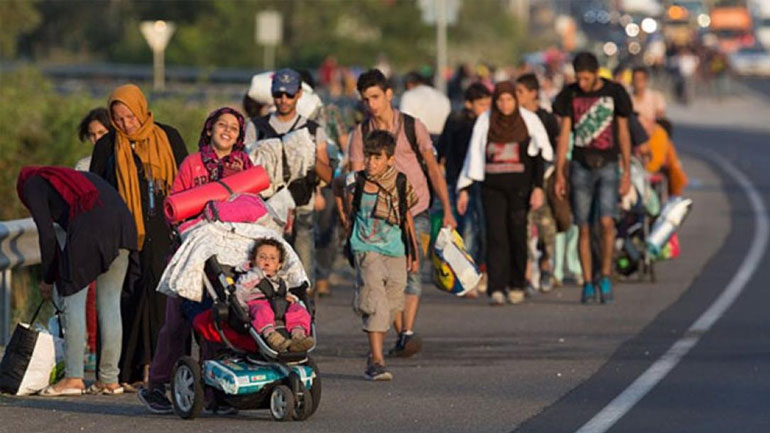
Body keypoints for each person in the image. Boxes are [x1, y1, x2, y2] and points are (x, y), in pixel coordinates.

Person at [138, 107, 250, 414]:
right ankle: (158, 386)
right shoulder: (192, 164)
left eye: (234, 128)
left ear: (240, 136)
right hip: (188, 253)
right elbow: (174, 206)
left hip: (227, 256)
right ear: (210, 129)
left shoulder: (245, 165)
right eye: (221, 125)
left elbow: (252, 205)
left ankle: (216, 392)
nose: (227, 131)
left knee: (218, 322)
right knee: (176, 323)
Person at [349, 69, 456, 357]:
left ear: (388, 95)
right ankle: (402, 333)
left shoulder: (412, 126)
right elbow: (353, 180)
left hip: (417, 206)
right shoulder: (360, 134)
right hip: (378, 217)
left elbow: (433, 168)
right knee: (383, 279)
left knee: (412, 271)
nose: (371, 104)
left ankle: (405, 331)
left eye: (375, 97)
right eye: (365, 99)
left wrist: (447, 209)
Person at [90, 84, 188, 390]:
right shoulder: (107, 146)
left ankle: (166, 370)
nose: (125, 124)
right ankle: (126, 372)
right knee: (127, 298)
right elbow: (96, 190)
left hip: (165, 230)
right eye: (117, 118)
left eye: (130, 116)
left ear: (141, 109)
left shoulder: (168, 136)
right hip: (123, 234)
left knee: (164, 300)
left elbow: (184, 183)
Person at [17, 167, 136, 396]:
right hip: (124, 228)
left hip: (91, 229)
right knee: (110, 303)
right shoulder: (72, 178)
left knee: (71, 300)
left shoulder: (32, 184)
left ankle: (73, 378)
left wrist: (49, 278)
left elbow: (47, 234)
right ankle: (109, 381)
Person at [456, 81, 551, 305]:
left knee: (517, 234)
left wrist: (538, 188)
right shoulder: (485, 121)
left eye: (509, 99)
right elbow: (474, 155)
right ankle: (497, 288)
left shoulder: (528, 121)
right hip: (492, 188)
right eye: (501, 100)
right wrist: (465, 189)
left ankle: (517, 283)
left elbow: (538, 156)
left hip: (521, 189)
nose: (505, 104)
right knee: (496, 236)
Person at [553, 52, 633, 304]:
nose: (582, 83)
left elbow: (623, 132)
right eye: (578, 78)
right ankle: (588, 281)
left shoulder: (614, 93)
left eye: (586, 78)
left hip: (608, 164)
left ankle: (606, 275)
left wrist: (626, 171)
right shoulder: (570, 95)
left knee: (607, 223)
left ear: (596, 73)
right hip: (580, 165)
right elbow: (564, 135)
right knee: (584, 227)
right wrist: (559, 172)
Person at [342, 130, 419, 380]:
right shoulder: (357, 181)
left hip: (395, 249)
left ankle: (376, 352)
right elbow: (337, 186)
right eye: (368, 157)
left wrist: (413, 252)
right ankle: (376, 360)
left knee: (394, 301)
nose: (371, 163)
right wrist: (346, 218)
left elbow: (406, 216)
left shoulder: (400, 183)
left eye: (377, 158)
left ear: (390, 159)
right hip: (365, 247)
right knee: (375, 300)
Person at [246, 68, 333, 288]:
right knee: (265, 269)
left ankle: (304, 311)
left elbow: (328, 175)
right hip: (269, 210)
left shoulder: (313, 130)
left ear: (299, 95)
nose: (284, 100)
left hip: (302, 206)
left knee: (303, 271)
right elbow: (247, 169)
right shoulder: (257, 127)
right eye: (279, 95)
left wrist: (309, 155)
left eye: (289, 95)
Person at [436, 82, 492, 284]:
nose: (486, 108)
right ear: (469, 104)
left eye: (488, 104)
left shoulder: (486, 122)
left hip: (479, 181)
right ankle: (464, 273)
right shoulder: (457, 120)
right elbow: (443, 146)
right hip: (456, 180)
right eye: (482, 104)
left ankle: (478, 268)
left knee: (481, 227)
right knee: (464, 227)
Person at [515, 73, 559, 293]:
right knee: (522, 228)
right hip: (521, 181)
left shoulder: (546, 118)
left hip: (545, 180)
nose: (516, 96)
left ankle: (545, 267)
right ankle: (526, 274)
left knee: (546, 229)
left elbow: (556, 148)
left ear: (533, 93)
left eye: (520, 92)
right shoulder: (514, 118)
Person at [235, 238, 314, 353]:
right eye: (262, 257)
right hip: (258, 302)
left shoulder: (281, 280)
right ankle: (271, 336)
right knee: (263, 311)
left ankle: (298, 336)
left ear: (279, 265)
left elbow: (285, 291)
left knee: (298, 309)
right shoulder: (250, 276)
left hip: (280, 304)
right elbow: (240, 290)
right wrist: (258, 274)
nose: (267, 260)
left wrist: (291, 298)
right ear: (253, 261)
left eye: (272, 258)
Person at [399, 71, 452, 142]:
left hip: (420, 141)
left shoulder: (408, 96)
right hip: (441, 141)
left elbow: (406, 124)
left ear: (409, 84)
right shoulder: (442, 97)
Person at [631, 67, 666, 135]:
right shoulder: (627, 98)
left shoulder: (656, 97)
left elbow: (660, 117)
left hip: (652, 134)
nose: (637, 82)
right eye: (635, 79)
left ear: (646, 80)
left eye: (640, 79)